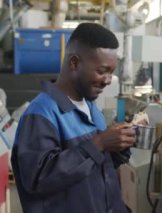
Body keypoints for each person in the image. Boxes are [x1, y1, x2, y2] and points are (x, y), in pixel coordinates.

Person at [11, 23, 136, 213]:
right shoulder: (41, 114)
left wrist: (117, 148)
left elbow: (91, 167)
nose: (108, 80)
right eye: (102, 71)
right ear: (74, 63)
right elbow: (38, 180)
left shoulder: (91, 108)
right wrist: (99, 143)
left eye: (112, 72)